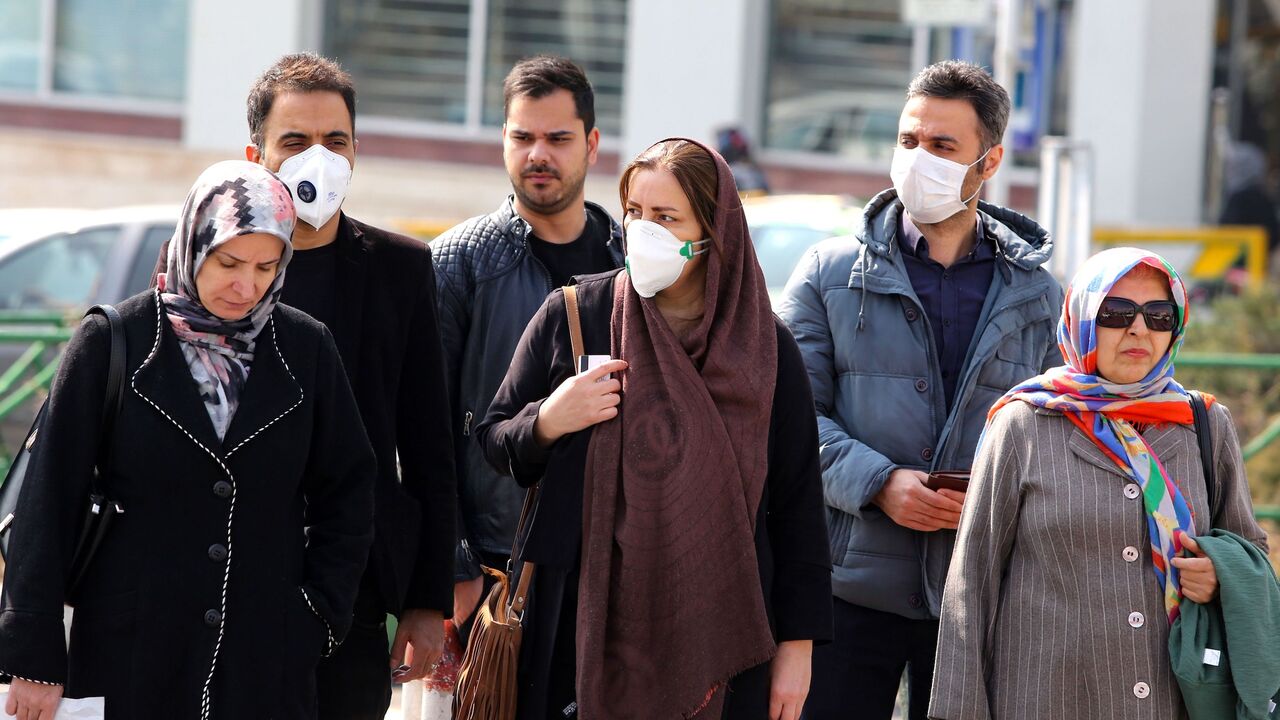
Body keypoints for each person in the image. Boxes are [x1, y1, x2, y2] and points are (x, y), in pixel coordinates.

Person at [0, 161, 375, 719]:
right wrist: (32, 656)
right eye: (227, 262)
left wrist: (317, 616)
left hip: (263, 666)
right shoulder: (112, 342)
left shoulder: (307, 350)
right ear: (194, 242)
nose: (246, 285)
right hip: (127, 657)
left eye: (266, 266)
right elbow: (46, 501)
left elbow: (349, 494)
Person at [475, 138, 832, 720]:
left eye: (666, 218)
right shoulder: (577, 316)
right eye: (634, 213)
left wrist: (799, 645)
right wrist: (548, 420)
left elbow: (798, 506)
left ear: (713, 232)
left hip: (727, 636)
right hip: (578, 625)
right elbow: (495, 440)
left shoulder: (765, 350)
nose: (644, 231)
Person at [154, 53, 458, 717]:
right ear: (255, 154)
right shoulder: (207, 267)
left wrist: (427, 600)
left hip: (350, 588)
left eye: (335, 141)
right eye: (295, 141)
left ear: (356, 152)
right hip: (218, 578)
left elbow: (429, 443)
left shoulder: (400, 270)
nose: (317, 158)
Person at [777, 60, 1062, 720]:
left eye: (942, 146)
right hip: (844, 590)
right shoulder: (827, 274)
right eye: (908, 141)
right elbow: (784, 417)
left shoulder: (1039, 297)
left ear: (988, 162)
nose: (918, 159)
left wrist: (993, 499)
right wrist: (878, 483)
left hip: (977, 595)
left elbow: (1056, 442)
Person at [929, 247, 1272, 719]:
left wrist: (1221, 575)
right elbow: (972, 582)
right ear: (1082, 319)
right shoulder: (1023, 424)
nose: (1138, 329)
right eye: (1115, 313)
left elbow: (1248, 546)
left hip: (1173, 700)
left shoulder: (1205, 423)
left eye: (1158, 315)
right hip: (1046, 698)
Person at [432, 55, 623, 637]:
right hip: (490, 567)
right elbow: (421, 431)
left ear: (591, 145)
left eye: (558, 138)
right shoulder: (455, 262)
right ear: (504, 143)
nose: (539, 154)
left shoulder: (631, 264)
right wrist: (455, 558)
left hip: (607, 562)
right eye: (523, 137)